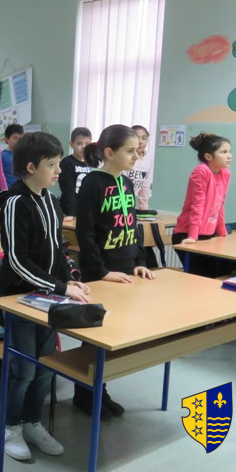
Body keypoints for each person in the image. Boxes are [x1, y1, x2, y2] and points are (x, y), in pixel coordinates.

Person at [0, 131, 91, 460]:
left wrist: (72, 280)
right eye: (52, 165)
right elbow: (17, 261)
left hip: (50, 299)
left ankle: (32, 422)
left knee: (46, 367)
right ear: (31, 167)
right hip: (21, 299)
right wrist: (61, 287)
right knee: (23, 369)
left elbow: (58, 249)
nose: (59, 171)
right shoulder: (15, 203)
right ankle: (9, 427)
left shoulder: (52, 202)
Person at [74, 124, 156, 418]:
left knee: (115, 334)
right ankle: (85, 393)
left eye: (137, 150)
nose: (136, 155)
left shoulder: (127, 183)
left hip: (126, 270)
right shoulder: (92, 183)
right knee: (95, 334)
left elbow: (133, 226)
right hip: (101, 273)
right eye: (130, 151)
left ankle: (100, 389)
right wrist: (101, 272)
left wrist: (140, 261)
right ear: (109, 152)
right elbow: (85, 234)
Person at [172, 133, 236, 277]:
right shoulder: (201, 171)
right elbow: (197, 205)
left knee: (219, 274)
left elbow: (220, 204)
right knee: (200, 279)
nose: (229, 156)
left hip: (208, 235)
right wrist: (193, 236)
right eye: (224, 152)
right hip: (187, 234)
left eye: (229, 151)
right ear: (208, 156)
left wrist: (222, 233)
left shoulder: (225, 174)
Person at [58, 127, 93, 217]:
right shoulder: (67, 163)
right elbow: (68, 191)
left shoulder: (93, 163)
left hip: (89, 210)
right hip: (71, 211)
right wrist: (71, 213)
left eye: (87, 144)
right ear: (71, 144)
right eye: (79, 143)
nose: (83, 147)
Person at [124, 125, 152, 211]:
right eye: (137, 138)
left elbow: (145, 185)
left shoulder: (148, 157)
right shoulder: (124, 156)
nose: (140, 142)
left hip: (130, 201)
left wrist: (144, 210)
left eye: (144, 138)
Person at [0, 123, 24, 189]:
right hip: (9, 191)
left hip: (23, 191)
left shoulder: (25, 155)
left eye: (21, 138)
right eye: (15, 138)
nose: (19, 141)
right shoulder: (2, 156)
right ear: (6, 139)